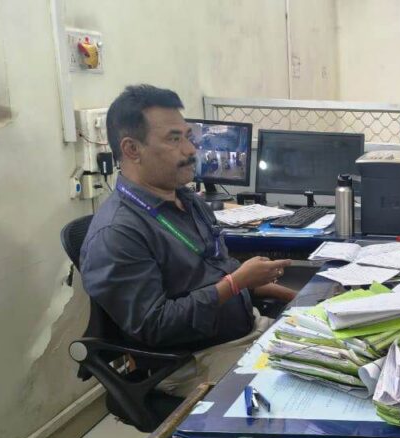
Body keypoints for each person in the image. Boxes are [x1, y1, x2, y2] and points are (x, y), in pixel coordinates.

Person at [80, 84, 297, 397]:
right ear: (132, 149)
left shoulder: (187, 200)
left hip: (247, 332)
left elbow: (216, 272)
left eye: (187, 136)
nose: (190, 150)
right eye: (174, 139)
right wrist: (235, 283)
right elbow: (155, 326)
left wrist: (295, 298)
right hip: (193, 364)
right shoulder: (118, 233)